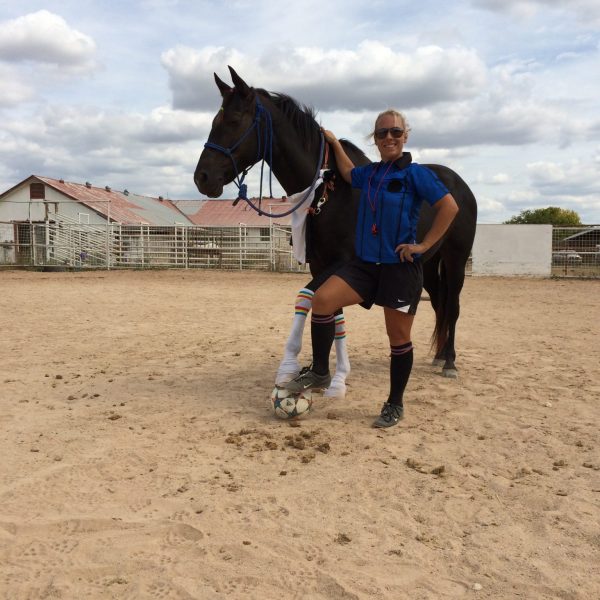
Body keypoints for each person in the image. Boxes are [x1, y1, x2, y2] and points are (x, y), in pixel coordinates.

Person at [284, 109, 459, 428]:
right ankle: (321, 370)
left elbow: (449, 207)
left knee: (398, 339)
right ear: (375, 139)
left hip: (399, 270)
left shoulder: (416, 174)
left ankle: (394, 403)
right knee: (321, 299)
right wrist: (335, 144)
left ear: (405, 136)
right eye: (382, 134)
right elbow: (349, 174)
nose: (388, 138)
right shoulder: (372, 173)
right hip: (365, 266)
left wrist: (423, 245)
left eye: (395, 132)